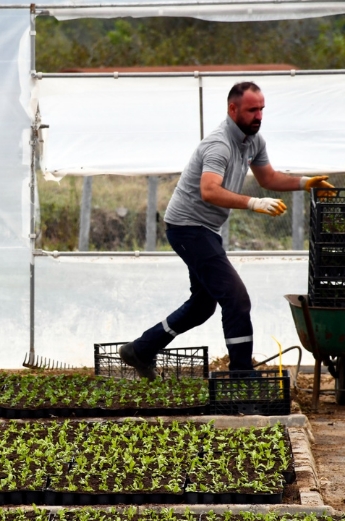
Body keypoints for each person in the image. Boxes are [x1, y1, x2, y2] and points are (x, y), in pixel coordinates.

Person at [119, 81, 333, 379]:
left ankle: (139, 350)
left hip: (205, 229)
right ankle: (242, 373)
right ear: (233, 109)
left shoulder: (253, 141)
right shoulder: (218, 144)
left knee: (201, 306)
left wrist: (305, 183)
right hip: (187, 227)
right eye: (251, 110)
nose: (258, 116)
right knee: (236, 298)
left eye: (261, 109)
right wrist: (254, 203)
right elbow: (209, 191)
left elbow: (268, 177)